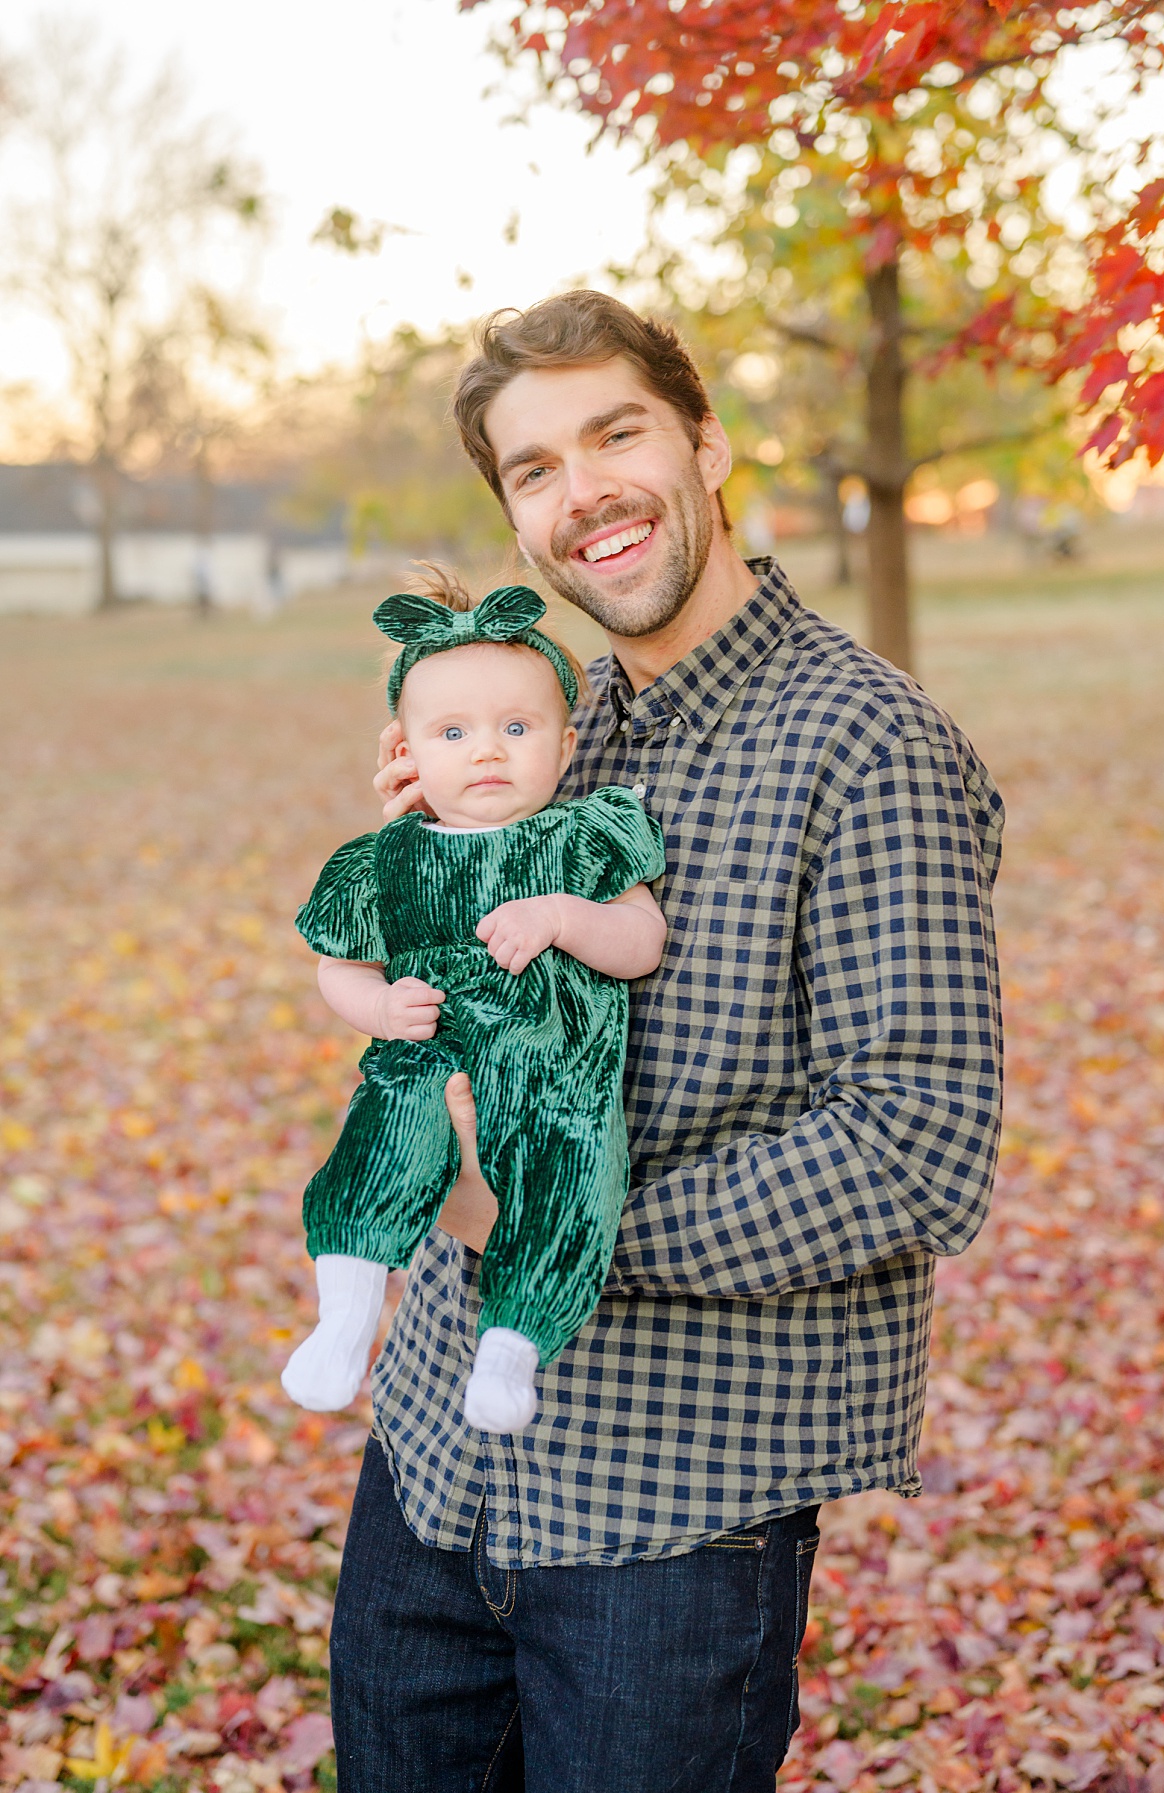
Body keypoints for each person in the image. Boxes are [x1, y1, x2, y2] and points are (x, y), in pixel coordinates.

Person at [326, 290, 1005, 1793]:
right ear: (515, 520)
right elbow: (446, 1040)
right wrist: (414, 871)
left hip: (669, 1518)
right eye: (535, 468)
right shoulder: (550, 725)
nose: (587, 494)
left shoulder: (868, 744)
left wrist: (555, 1231)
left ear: (706, 438)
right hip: (433, 1465)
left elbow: (919, 1148)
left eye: (616, 433)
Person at [282, 577, 666, 1435]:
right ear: (408, 750)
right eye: (453, 733)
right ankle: (345, 1314)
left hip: (555, 1074)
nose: (487, 751)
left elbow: (643, 939)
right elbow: (337, 966)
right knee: (382, 1143)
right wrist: (380, 1008)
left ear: (566, 748)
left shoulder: (582, 836)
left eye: (517, 729)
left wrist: (564, 916)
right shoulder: (388, 856)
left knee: (565, 1184)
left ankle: (512, 1346)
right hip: (425, 1056)